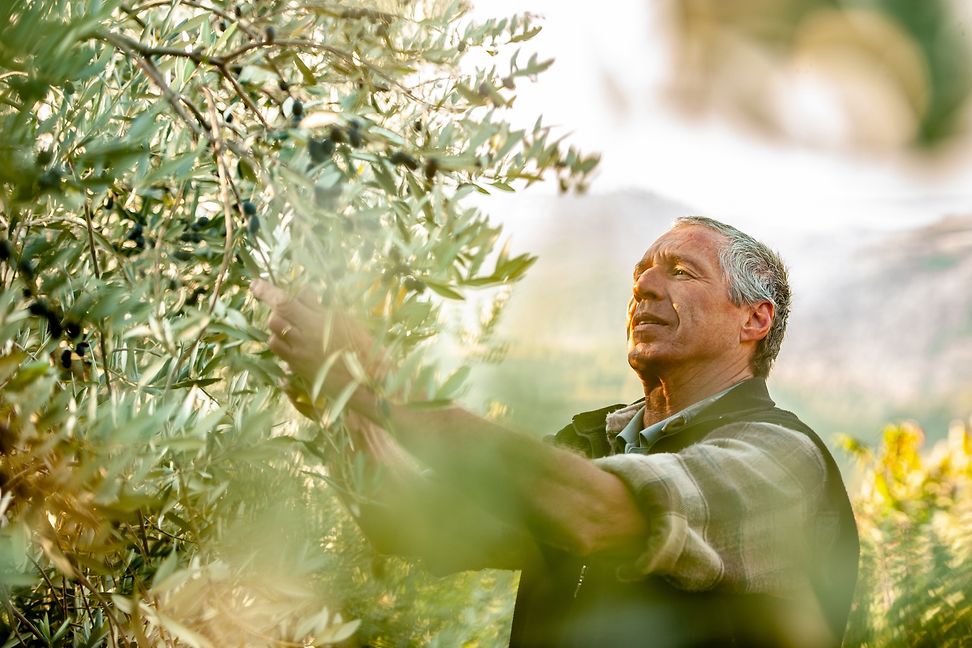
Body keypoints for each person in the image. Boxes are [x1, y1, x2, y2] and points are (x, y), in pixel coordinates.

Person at [252, 216, 859, 648]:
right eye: (643, 272)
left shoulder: (779, 457)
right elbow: (413, 521)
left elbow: (600, 511)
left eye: (681, 271)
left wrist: (385, 384)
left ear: (755, 319)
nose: (645, 285)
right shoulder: (595, 440)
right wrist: (341, 395)